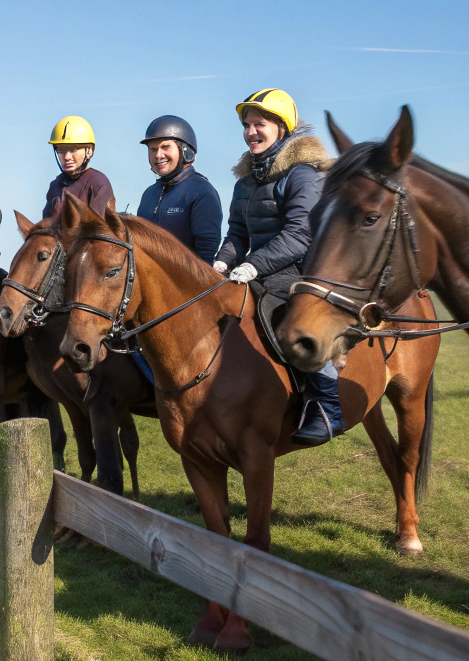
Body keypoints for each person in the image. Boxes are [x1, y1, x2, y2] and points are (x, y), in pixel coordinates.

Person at [213, 88, 343, 447]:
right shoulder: (244, 183)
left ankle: (327, 406)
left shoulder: (302, 175)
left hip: (303, 270)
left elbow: (300, 234)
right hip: (263, 268)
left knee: (294, 321)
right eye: (247, 125)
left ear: (282, 129)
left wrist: (253, 264)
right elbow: (237, 233)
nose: (251, 131)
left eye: (261, 124)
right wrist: (222, 262)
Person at [137, 115, 224, 263]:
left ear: (185, 151)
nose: (158, 155)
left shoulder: (201, 191)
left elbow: (206, 252)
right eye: (153, 149)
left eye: (165, 147)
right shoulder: (149, 194)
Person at [44, 115, 115, 219]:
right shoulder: (55, 185)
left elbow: (98, 229)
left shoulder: (99, 183)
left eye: (73, 149)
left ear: (89, 150)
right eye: (61, 150)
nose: (67, 157)